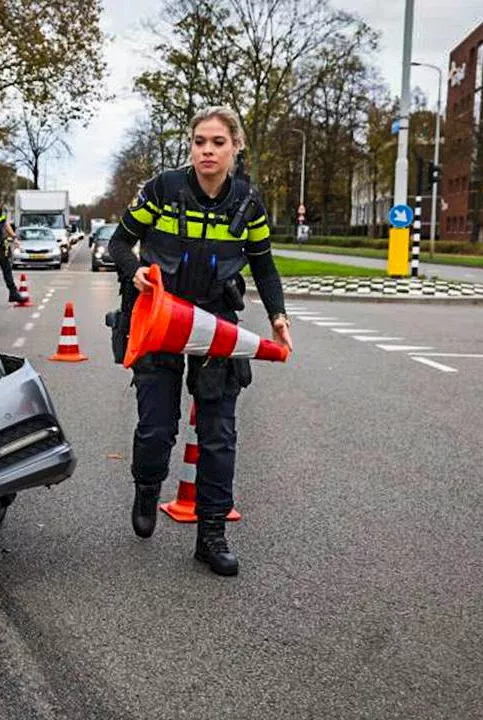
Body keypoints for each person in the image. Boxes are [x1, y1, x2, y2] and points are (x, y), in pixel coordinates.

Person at [107, 106, 293, 577]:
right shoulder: (162, 190)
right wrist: (137, 276)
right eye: (199, 141)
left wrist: (278, 315)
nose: (207, 150)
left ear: (236, 147)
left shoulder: (249, 203)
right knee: (156, 427)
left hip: (215, 322)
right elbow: (117, 244)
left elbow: (265, 267)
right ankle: (147, 486)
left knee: (218, 433)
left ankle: (211, 534)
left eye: (217, 142)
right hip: (158, 317)